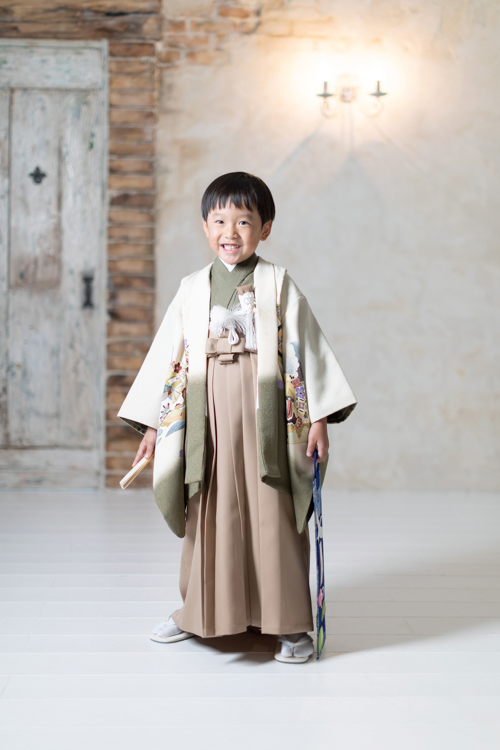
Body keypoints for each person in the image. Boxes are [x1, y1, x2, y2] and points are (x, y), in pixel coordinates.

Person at [118, 172, 357, 664]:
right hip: (205, 416)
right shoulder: (191, 289)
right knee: (210, 506)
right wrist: (153, 428)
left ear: (265, 228)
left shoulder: (279, 283)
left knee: (272, 509)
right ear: (205, 227)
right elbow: (168, 359)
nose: (231, 232)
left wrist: (318, 419)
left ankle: (289, 623)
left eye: (244, 222)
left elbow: (307, 351)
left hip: (267, 416)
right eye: (220, 221)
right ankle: (199, 613)